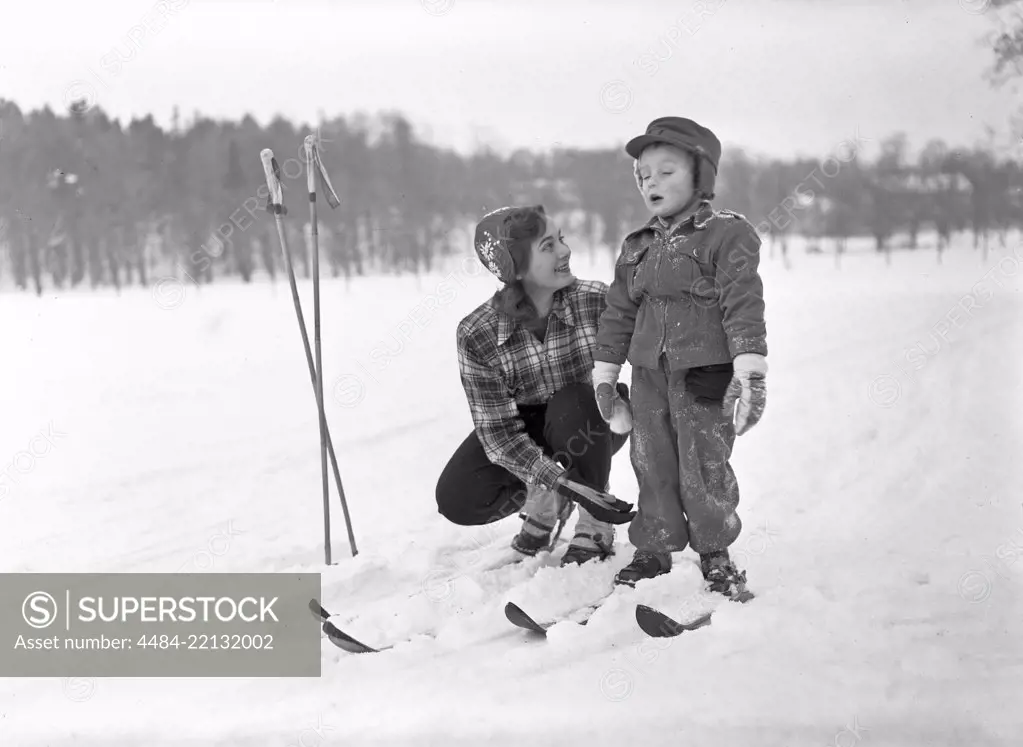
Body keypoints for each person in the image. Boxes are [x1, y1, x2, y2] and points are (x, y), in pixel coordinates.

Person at [590, 116, 769, 598]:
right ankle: (654, 547)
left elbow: (742, 299)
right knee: (650, 460)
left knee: (704, 462)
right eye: (643, 175)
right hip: (649, 375)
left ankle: (715, 552)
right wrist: (606, 373)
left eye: (666, 171)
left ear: (701, 176)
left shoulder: (726, 234)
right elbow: (617, 312)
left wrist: (749, 366)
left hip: (705, 375)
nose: (651, 182)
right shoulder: (637, 246)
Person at [435, 205, 636, 565]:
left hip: (595, 421)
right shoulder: (477, 334)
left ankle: (595, 519)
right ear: (516, 266)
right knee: (458, 497)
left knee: (574, 399)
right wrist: (556, 482)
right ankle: (547, 499)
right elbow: (498, 435)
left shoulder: (595, 300)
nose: (565, 251)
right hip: (531, 433)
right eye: (548, 246)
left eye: (561, 239)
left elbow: (654, 355)